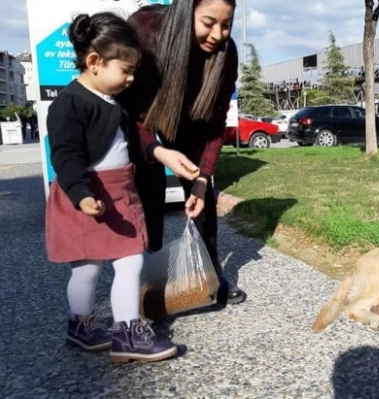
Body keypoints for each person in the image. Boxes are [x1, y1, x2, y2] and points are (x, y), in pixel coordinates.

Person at [45, 12, 177, 363]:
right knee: (86, 269)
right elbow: (66, 155)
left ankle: (123, 330)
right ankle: (84, 326)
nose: (131, 78)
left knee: (130, 261)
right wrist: (81, 194)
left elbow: (129, 141)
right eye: (126, 70)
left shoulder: (112, 103)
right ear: (94, 62)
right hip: (88, 194)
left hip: (119, 193)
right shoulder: (69, 105)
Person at [117, 0, 246, 306]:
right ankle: (150, 281)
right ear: (186, 12)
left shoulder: (226, 55)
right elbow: (130, 110)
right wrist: (158, 151)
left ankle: (210, 274)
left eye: (225, 25)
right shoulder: (145, 33)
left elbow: (215, 124)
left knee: (201, 193)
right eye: (208, 22)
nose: (217, 34)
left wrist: (203, 178)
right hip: (144, 116)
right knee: (149, 189)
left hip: (191, 120)